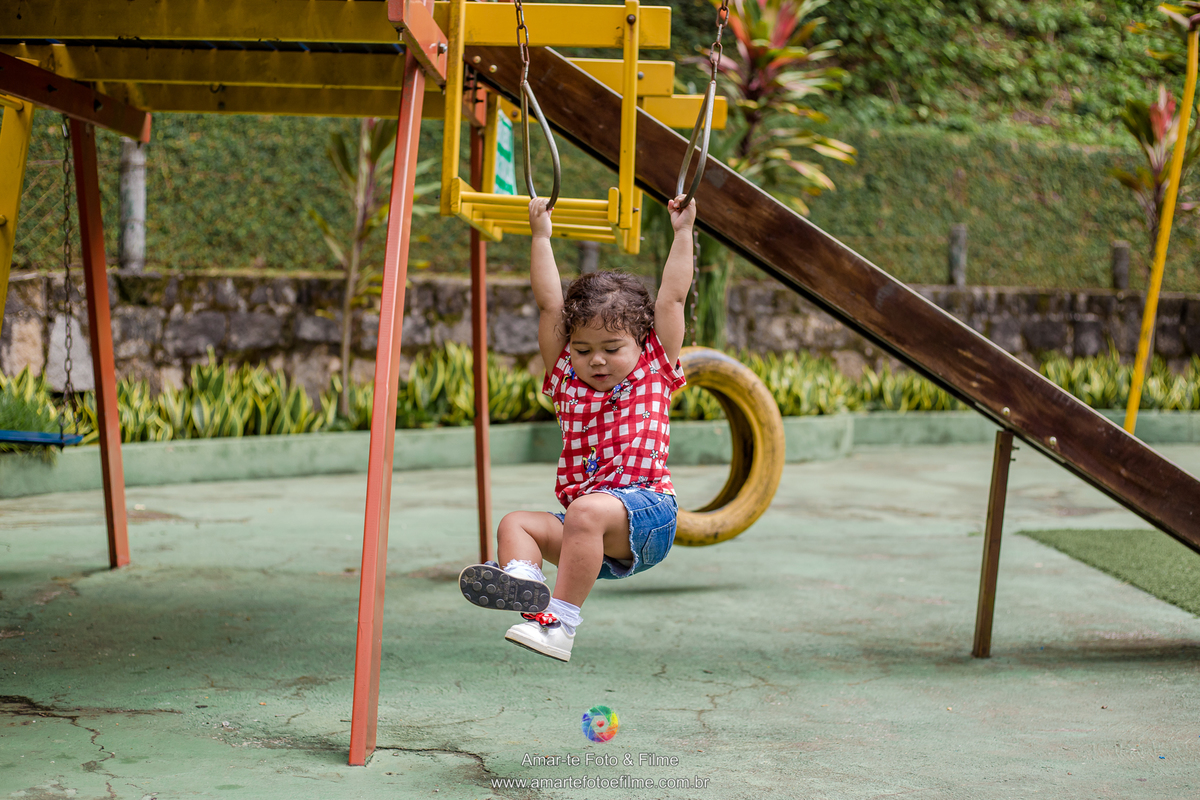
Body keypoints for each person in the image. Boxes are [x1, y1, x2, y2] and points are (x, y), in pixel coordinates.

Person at [458, 193, 697, 662]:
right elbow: (550, 306)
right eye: (584, 348)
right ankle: (527, 583)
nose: (597, 359)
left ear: (641, 342)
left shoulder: (654, 365)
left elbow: (672, 296)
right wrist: (541, 236)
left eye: (612, 347)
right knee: (516, 524)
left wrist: (683, 231)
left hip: (648, 511)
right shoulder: (566, 376)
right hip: (592, 535)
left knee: (586, 510)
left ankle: (562, 625)